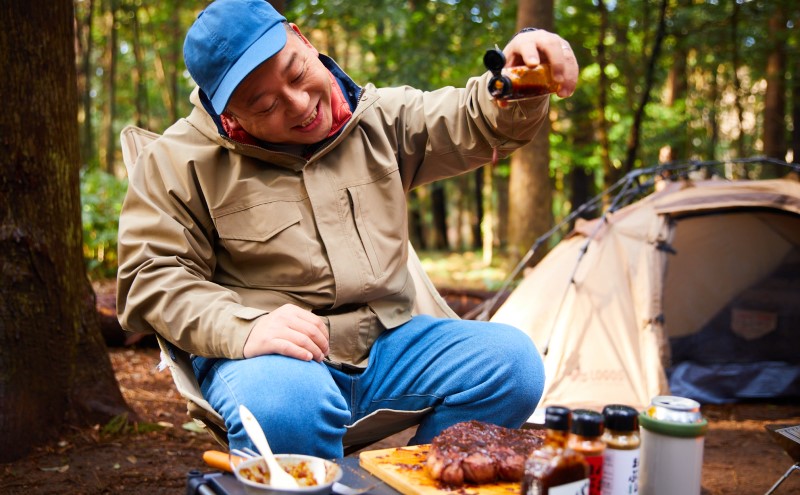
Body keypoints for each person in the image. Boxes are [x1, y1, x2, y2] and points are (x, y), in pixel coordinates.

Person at [117, 0, 579, 459]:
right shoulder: (178, 161)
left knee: (512, 366)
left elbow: (475, 118)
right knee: (288, 408)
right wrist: (245, 327)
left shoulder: (377, 118)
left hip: (387, 347)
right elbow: (150, 278)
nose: (300, 104)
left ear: (302, 39)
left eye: (297, 73)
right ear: (231, 116)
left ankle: (414, 480)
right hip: (270, 362)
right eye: (266, 104)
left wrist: (521, 78)